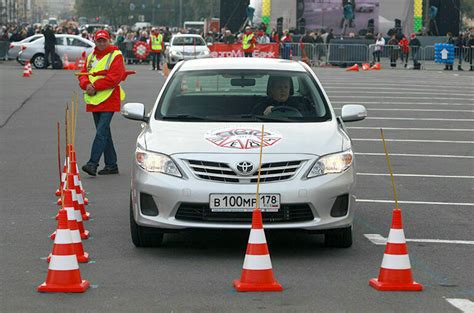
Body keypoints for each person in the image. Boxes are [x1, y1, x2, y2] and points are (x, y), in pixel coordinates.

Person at [79, 30, 126, 176]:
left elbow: (114, 78)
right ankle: (112, 165)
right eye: (98, 40)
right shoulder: (91, 56)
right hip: (94, 99)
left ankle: (93, 163)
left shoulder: (116, 55)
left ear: (109, 40)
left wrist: (94, 87)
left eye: (104, 40)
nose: (101, 43)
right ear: (95, 41)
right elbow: (83, 74)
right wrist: (86, 85)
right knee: (104, 133)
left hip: (109, 98)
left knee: (100, 132)